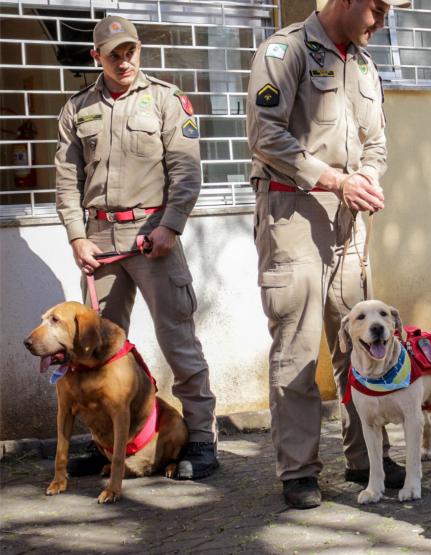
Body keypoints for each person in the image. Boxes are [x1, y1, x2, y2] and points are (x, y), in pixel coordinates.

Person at [245, 0, 410, 510]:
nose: (382, 19)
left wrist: (365, 179)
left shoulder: (362, 63)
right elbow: (265, 134)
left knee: (358, 339)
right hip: (293, 208)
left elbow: (376, 141)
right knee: (296, 345)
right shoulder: (285, 49)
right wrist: (336, 179)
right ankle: (299, 470)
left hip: (348, 215)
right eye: (377, 7)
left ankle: (367, 459)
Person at [55, 15, 219, 480]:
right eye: (114, 54)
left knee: (178, 341)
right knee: (91, 349)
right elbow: (67, 181)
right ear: (97, 57)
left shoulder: (166, 101)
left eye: (130, 51)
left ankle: (202, 440)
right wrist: (76, 235)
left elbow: (187, 172)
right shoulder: (77, 108)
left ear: (138, 50)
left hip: (153, 237)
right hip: (100, 241)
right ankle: (104, 443)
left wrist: (171, 226)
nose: (124, 61)